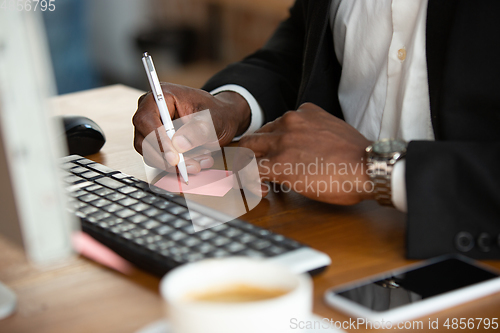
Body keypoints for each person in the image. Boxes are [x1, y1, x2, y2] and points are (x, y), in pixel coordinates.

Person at [133, 0, 500, 259]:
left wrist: (374, 168)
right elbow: (306, 44)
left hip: (469, 257)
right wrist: (233, 106)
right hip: (330, 235)